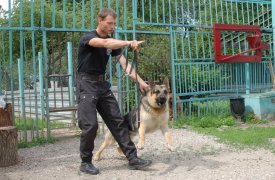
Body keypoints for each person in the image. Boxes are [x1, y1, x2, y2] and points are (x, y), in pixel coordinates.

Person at [76, 8, 152, 175]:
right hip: (86, 84)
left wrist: (140, 82)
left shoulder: (112, 42)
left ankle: (133, 159)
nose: (112, 26)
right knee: (90, 125)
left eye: (114, 24)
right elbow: (104, 44)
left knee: (118, 122)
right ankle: (86, 162)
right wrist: (128, 43)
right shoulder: (88, 38)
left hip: (102, 85)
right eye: (109, 23)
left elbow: (125, 64)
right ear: (100, 20)